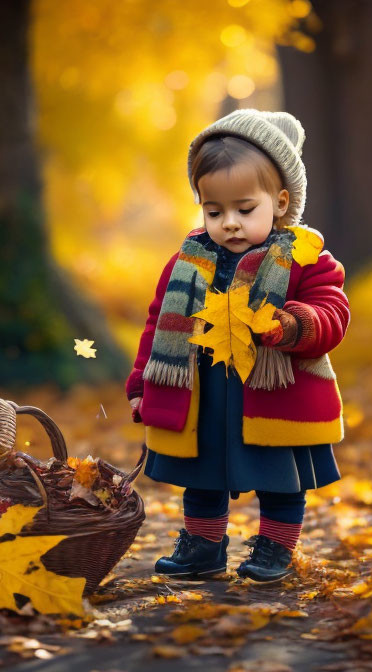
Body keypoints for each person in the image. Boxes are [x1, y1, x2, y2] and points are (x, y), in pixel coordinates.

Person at [125, 108, 350, 583]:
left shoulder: (305, 259)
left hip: (274, 392)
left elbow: (333, 312)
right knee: (201, 473)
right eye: (214, 211)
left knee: (279, 477)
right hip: (205, 394)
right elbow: (156, 322)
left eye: (245, 210)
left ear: (281, 202)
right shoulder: (188, 260)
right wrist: (141, 382)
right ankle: (203, 545)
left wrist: (295, 325)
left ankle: (275, 546)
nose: (229, 223)